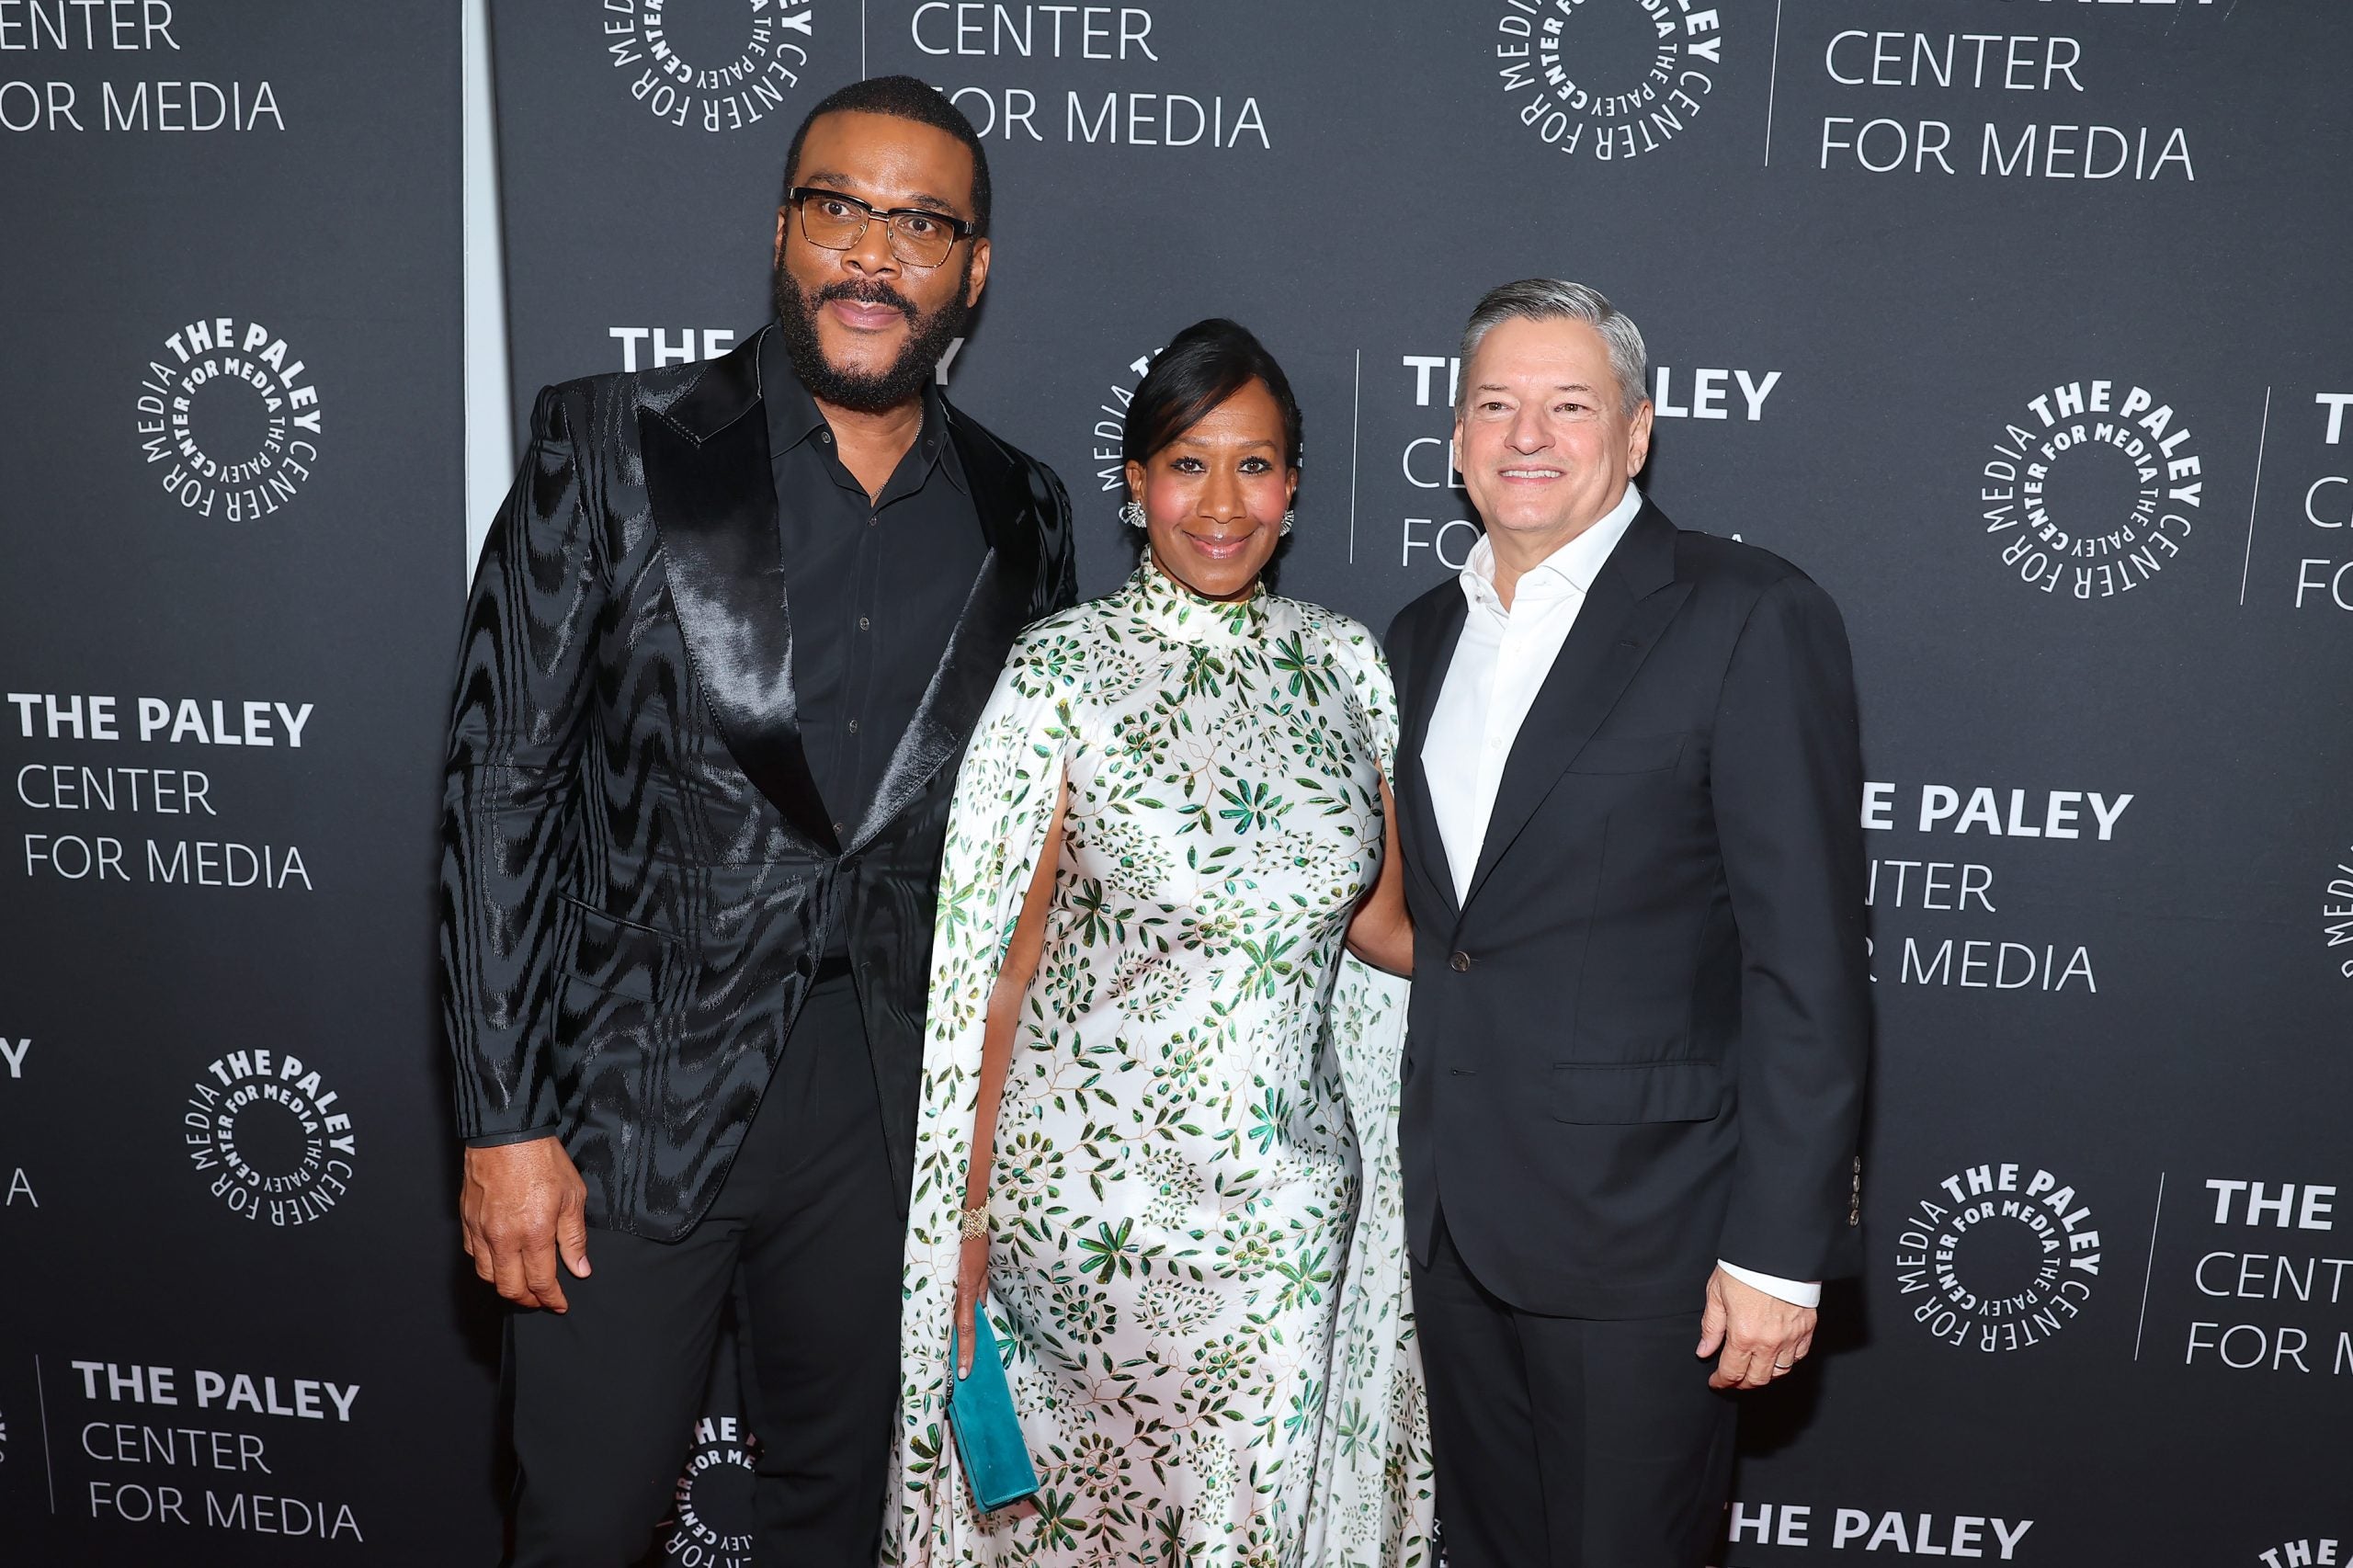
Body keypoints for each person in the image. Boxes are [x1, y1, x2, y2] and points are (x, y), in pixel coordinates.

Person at [439, 77, 1076, 1565]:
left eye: (921, 224)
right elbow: (499, 793)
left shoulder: (1023, 510)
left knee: (843, 1517)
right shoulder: (609, 443)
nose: (874, 254)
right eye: (838, 206)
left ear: (972, 270)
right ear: (783, 229)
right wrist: (503, 1121)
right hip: (621, 1105)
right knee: (587, 1522)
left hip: (884, 1110)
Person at [886, 319, 1436, 1564]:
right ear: (1133, 486)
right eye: (1188, 464)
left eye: (1256, 465)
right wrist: (964, 1228)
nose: (1222, 503)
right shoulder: (1062, 672)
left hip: (1290, 1215)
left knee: (1248, 1530)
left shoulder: (1345, 668)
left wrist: (1610, 952)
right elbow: (998, 971)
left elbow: (1393, 929)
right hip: (1081, 1224)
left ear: (1294, 489)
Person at [1383, 279, 1870, 1568]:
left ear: (1639, 432)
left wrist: (1780, 1251)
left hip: (1648, 1242)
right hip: (1453, 1224)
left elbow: (1807, 964)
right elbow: (1455, 932)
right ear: (1454, 438)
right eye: (1495, 403)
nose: (1527, 435)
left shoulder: (1746, 615)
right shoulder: (1423, 634)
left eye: (1568, 405)